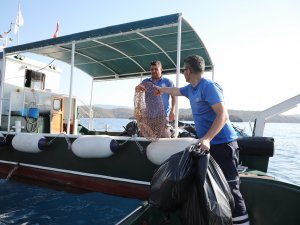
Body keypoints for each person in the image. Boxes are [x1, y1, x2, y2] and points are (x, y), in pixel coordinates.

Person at [154, 55, 250, 225]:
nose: (183, 72)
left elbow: (223, 115)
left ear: (189, 71)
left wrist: (206, 139)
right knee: (213, 187)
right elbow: (176, 90)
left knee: (231, 188)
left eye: (184, 69)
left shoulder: (209, 87)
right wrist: (161, 90)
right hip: (209, 145)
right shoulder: (191, 88)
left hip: (223, 145)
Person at [135, 60, 176, 137]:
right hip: (148, 117)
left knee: (165, 138)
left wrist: (172, 110)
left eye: (156, 69)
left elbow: (174, 97)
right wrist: (137, 88)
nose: (153, 71)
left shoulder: (168, 82)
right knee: (145, 138)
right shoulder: (145, 81)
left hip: (163, 116)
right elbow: (139, 94)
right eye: (152, 69)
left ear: (161, 70)